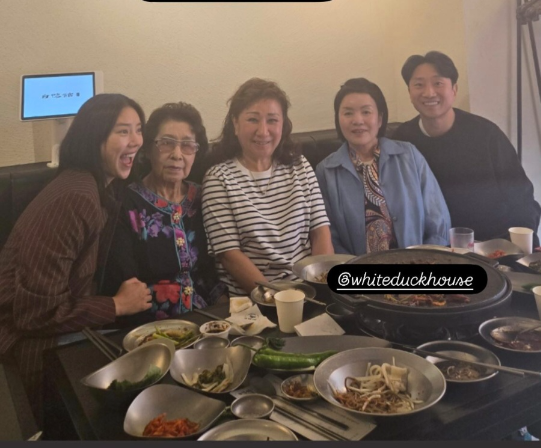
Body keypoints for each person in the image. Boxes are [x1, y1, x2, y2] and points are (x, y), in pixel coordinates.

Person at [0, 94, 152, 422]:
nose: (136, 140)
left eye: (138, 129)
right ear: (93, 138)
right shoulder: (76, 196)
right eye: (122, 131)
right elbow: (34, 314)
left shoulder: (93, 186)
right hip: (28, 346)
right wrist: (117, 305)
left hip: (57, 331)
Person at [393, 51, 540, 243]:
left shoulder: (486, 134)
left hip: (493, 243)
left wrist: (522, 243)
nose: (429, 93)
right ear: (410, 93)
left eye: (438, 83)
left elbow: (521, 197)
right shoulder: (401, 141)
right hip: (432, 247)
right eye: (419, 85)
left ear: (454, 89)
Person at [202, 78, 333, 295]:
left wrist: (320, 286)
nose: (263, 131)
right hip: (254, 299)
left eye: (272, 120)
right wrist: (277, 298)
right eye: (253, 119)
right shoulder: (219, 179)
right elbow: (230, 256)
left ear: (283, 125)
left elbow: (320, 232)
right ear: (235, 124)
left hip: (308, 291)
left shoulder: (300, 166)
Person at [102, 102, 225, 321]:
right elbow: (125, 282)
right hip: (150, 325)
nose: (177, 155)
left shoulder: (205, 196)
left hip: (209, 317)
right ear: (148, 149)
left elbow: (214, 269)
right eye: (166, 143)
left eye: (187, 146)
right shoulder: (125, 204)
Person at [315, 78, 450, 255]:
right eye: (348, 113)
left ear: (379, 118)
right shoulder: (326, 172)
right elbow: (329, 238)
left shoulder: (409, 156)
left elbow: (438, 222)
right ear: (338, 119)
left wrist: (424, 261)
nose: (358, 120)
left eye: (366, 112)